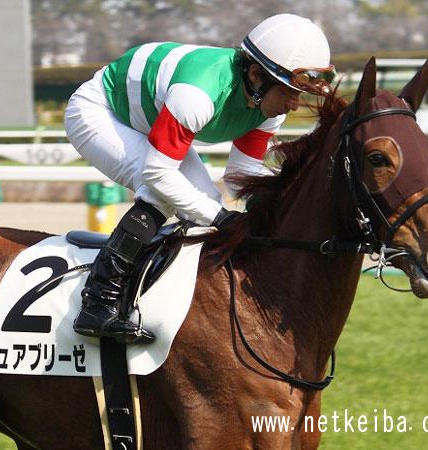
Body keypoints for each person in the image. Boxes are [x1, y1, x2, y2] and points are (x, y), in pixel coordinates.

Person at [65, 13, 335, 343]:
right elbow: (157, 173)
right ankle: (98, 301)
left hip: (149, 118)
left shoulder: (266, 105)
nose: (293, 105)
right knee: (164, 194)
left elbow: (240, 178)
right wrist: (222, 218)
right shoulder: (199, 94)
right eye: (289, 92)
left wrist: (278, 211)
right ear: (255, 75)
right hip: (99, 111)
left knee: (205, 203)